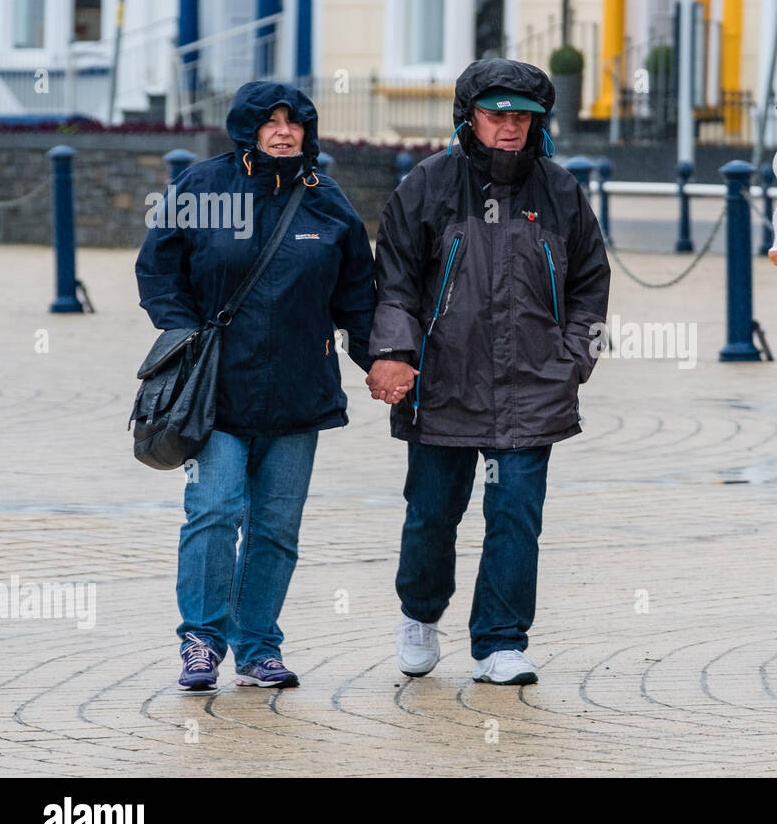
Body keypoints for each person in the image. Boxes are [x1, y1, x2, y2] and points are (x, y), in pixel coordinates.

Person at [366, 58, 610, 685]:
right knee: (430, 514)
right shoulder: (426, 185)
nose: (510, 126)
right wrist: (394, 353)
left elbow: (590, 283)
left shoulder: (560, 191)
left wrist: (573, 358)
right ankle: (420, 614)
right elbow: (392, 281)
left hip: (534, 389)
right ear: (468, 118)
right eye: (498, 113)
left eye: (523, 116)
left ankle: (500, 642)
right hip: (442, 386)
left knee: (515, 518)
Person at [136, 81, 376, 691]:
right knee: (214, 510)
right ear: (246, 128)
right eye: (269, 121)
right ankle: (201, 640)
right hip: (215, 390)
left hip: (300, 392)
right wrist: (186, 333)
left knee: (275, 526)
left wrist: (381, 361)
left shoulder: (328, 202)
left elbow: (357, 297)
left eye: (294, 122)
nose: (283, 131)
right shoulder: (201, 189)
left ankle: (258, 647)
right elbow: (158, 268)